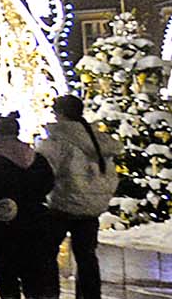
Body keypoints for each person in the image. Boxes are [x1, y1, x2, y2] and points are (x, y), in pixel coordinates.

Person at [36, 95, 121, 299]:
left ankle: (49, 294)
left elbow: (43, 173)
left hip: (61, 205)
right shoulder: (97, 140)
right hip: (90, 208)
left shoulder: (57, 141)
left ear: (60, 113)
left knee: (46, 253)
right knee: (86, 257)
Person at [0, 113, 59, 299]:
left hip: (1, 225)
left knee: (6, 274)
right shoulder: (36, 159)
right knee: (33, 275)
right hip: (34, 221)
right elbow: (48, 184)